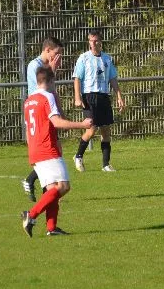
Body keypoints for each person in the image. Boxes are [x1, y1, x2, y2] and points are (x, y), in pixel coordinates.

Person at [21, 66, 93, 237]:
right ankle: (31, 214)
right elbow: (57, 122)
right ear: (51, 81)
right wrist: (82, 125)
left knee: (52, 189)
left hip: (35, 149)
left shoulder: (29, 101)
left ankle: (51, 228)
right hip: (47, 149)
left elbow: (29, 129)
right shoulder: (48, 97)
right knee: (63, 186)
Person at [72, 29, 125, 172]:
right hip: (89, 97)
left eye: (95, 41)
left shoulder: (107, 59)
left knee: (106, 131)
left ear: (100, 42)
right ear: (88, 42)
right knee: (91, 129)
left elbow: (112, 78)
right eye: (91, 40)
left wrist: (119, 96)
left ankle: (106, 164)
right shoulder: (84, 58)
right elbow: (77, 78)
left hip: (103, 96)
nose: (93, 43)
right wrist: (77, 97)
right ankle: (78, 156)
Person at [22, 37, 63, 202]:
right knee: (48, 154)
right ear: (47, 50)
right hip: (39, 115)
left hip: (48, 112)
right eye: (56, 53)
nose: (58, 57)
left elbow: (52, 91)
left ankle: (44, 188)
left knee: (56, 151)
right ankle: (44, 188)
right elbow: (40, 92)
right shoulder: (35, 66)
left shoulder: (47, 67)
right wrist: (52, 70)